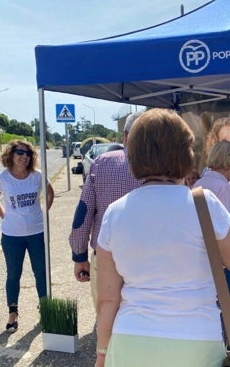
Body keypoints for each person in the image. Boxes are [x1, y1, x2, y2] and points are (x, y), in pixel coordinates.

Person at [94, 109, 230, 367]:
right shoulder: (203, 204)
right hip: (195, 341)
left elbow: (108, 298)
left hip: (130, 341)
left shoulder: (115, 212)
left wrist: (101, 354)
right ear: (185, 153)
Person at [69, 112, 143, 312]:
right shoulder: (165, 168)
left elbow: (83, 214)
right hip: (148, 258)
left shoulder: (102, 163)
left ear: (126, 135)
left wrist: (79, 255)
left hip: (104, 256)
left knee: (106, 317)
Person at [0, 140, 54, 333]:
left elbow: (50, 193)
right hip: (12, 235)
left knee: (41, 273)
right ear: (11, 154)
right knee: (13, 274)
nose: (24, 156)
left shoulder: (37, 176)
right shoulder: (2, 178)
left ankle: (45, 310)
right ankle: (13, 313)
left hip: (36, 233)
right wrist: (4, 215)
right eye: (20, 152)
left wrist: (44, 212)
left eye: (28, 154)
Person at [193, 140, 230, 329]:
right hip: (225, 265)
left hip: (205, 261)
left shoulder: (200, 183)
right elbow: (227, 232)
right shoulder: (223, 187)